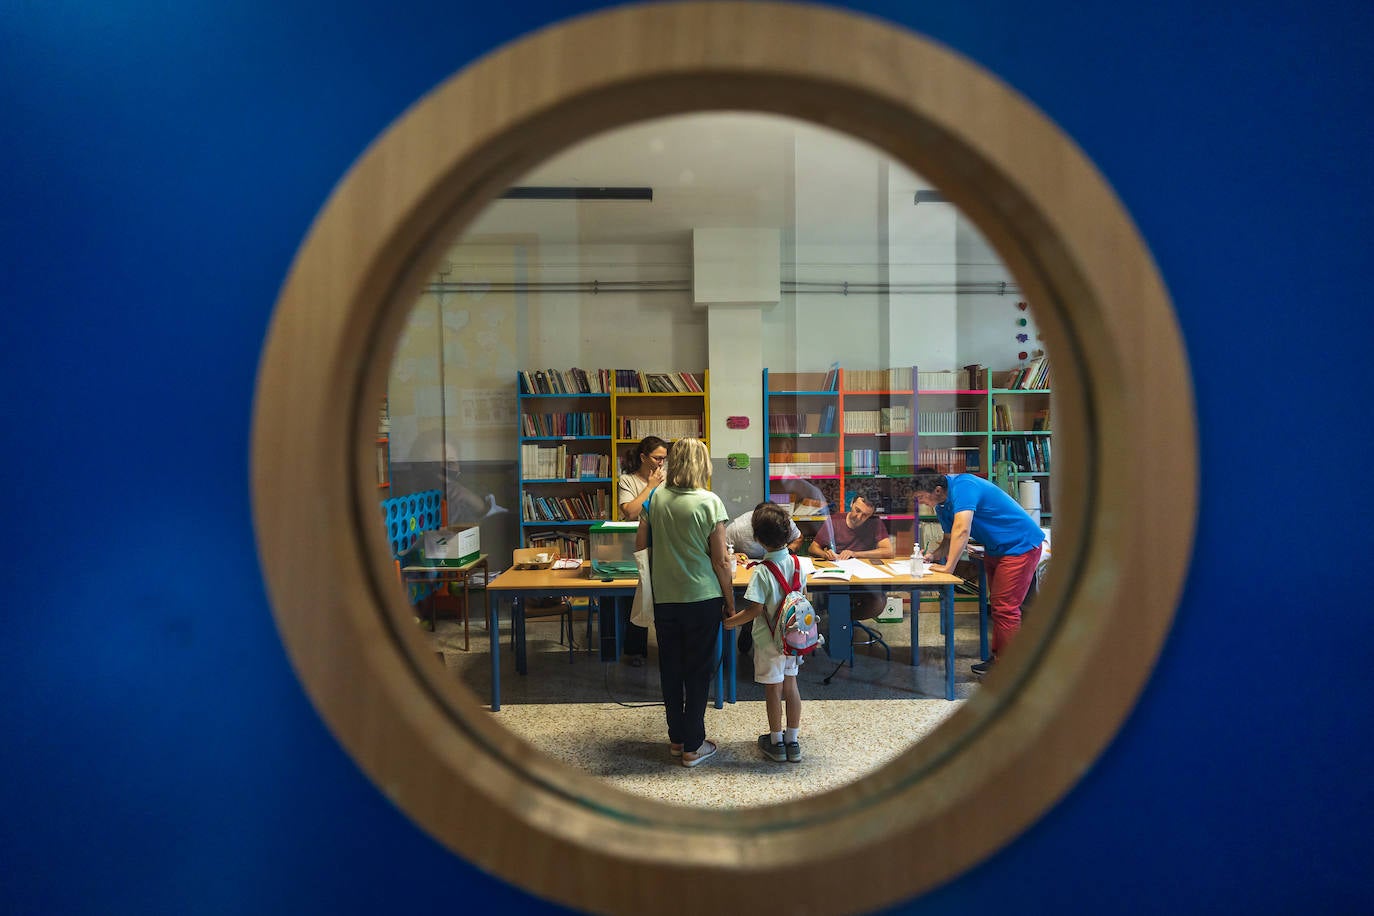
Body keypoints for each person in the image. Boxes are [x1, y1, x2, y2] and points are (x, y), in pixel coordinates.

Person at [635, 437, 734, 767]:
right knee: (698, 671)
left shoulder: (655, 499)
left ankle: (676, 739)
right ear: (702, 464)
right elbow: (720, 561)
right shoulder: (710, 502)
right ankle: (694, 745)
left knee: (671, 669)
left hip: (665, 598)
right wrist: (730, 601)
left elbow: (641, 547)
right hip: (702, 597)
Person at [913, 471, 1044, 676]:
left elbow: (962, 530)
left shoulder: (964, 486)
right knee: (999, 607)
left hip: (1020, 545)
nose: (921, 502)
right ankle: (1000, 658)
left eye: (921, 497)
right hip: (996, 548)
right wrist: (933, 555)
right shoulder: (941, 504)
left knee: (1005, 608)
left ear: (937, 490)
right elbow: (949, 538)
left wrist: (949, 568)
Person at [723, 503, 806, 763]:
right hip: (793, 637)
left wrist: (730, 623)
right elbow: (801, 597)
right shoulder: (798, 563)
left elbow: (754, 611)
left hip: (769, 641)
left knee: (773, 690)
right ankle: (793, 740)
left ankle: (776, 742)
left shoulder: (761, 572)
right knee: (791, 686)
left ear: (758, 539)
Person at [616, 436, 667, 666]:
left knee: (661, 598)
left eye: (664, 458)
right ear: (643, 457)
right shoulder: (627, 481)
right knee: (635, 599)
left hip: (661, 546)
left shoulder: (668, 480)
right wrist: (651, 486)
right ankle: (634, 650)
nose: (661, 463)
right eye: (657, 458)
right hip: (632, 548)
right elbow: (631, 512)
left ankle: (663, 646)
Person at [808, 495, 895, 620]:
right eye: (857, 510)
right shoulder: (835, 520)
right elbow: (812, 548)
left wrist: (855, 554)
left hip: (863, 578)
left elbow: (888, 552)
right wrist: (825, 554)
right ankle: (840, 623)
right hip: (838, 578)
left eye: (865, 515)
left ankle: (842, 621)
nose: (859, 517)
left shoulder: (875, 522)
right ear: (851, 504)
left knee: (878, 603)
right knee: (833, 600)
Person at [725, 503, 802, 560]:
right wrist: (732, 556)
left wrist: (787, 553)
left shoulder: (783, 520)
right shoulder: (736, 529)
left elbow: (798, 538)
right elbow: (717, 552)